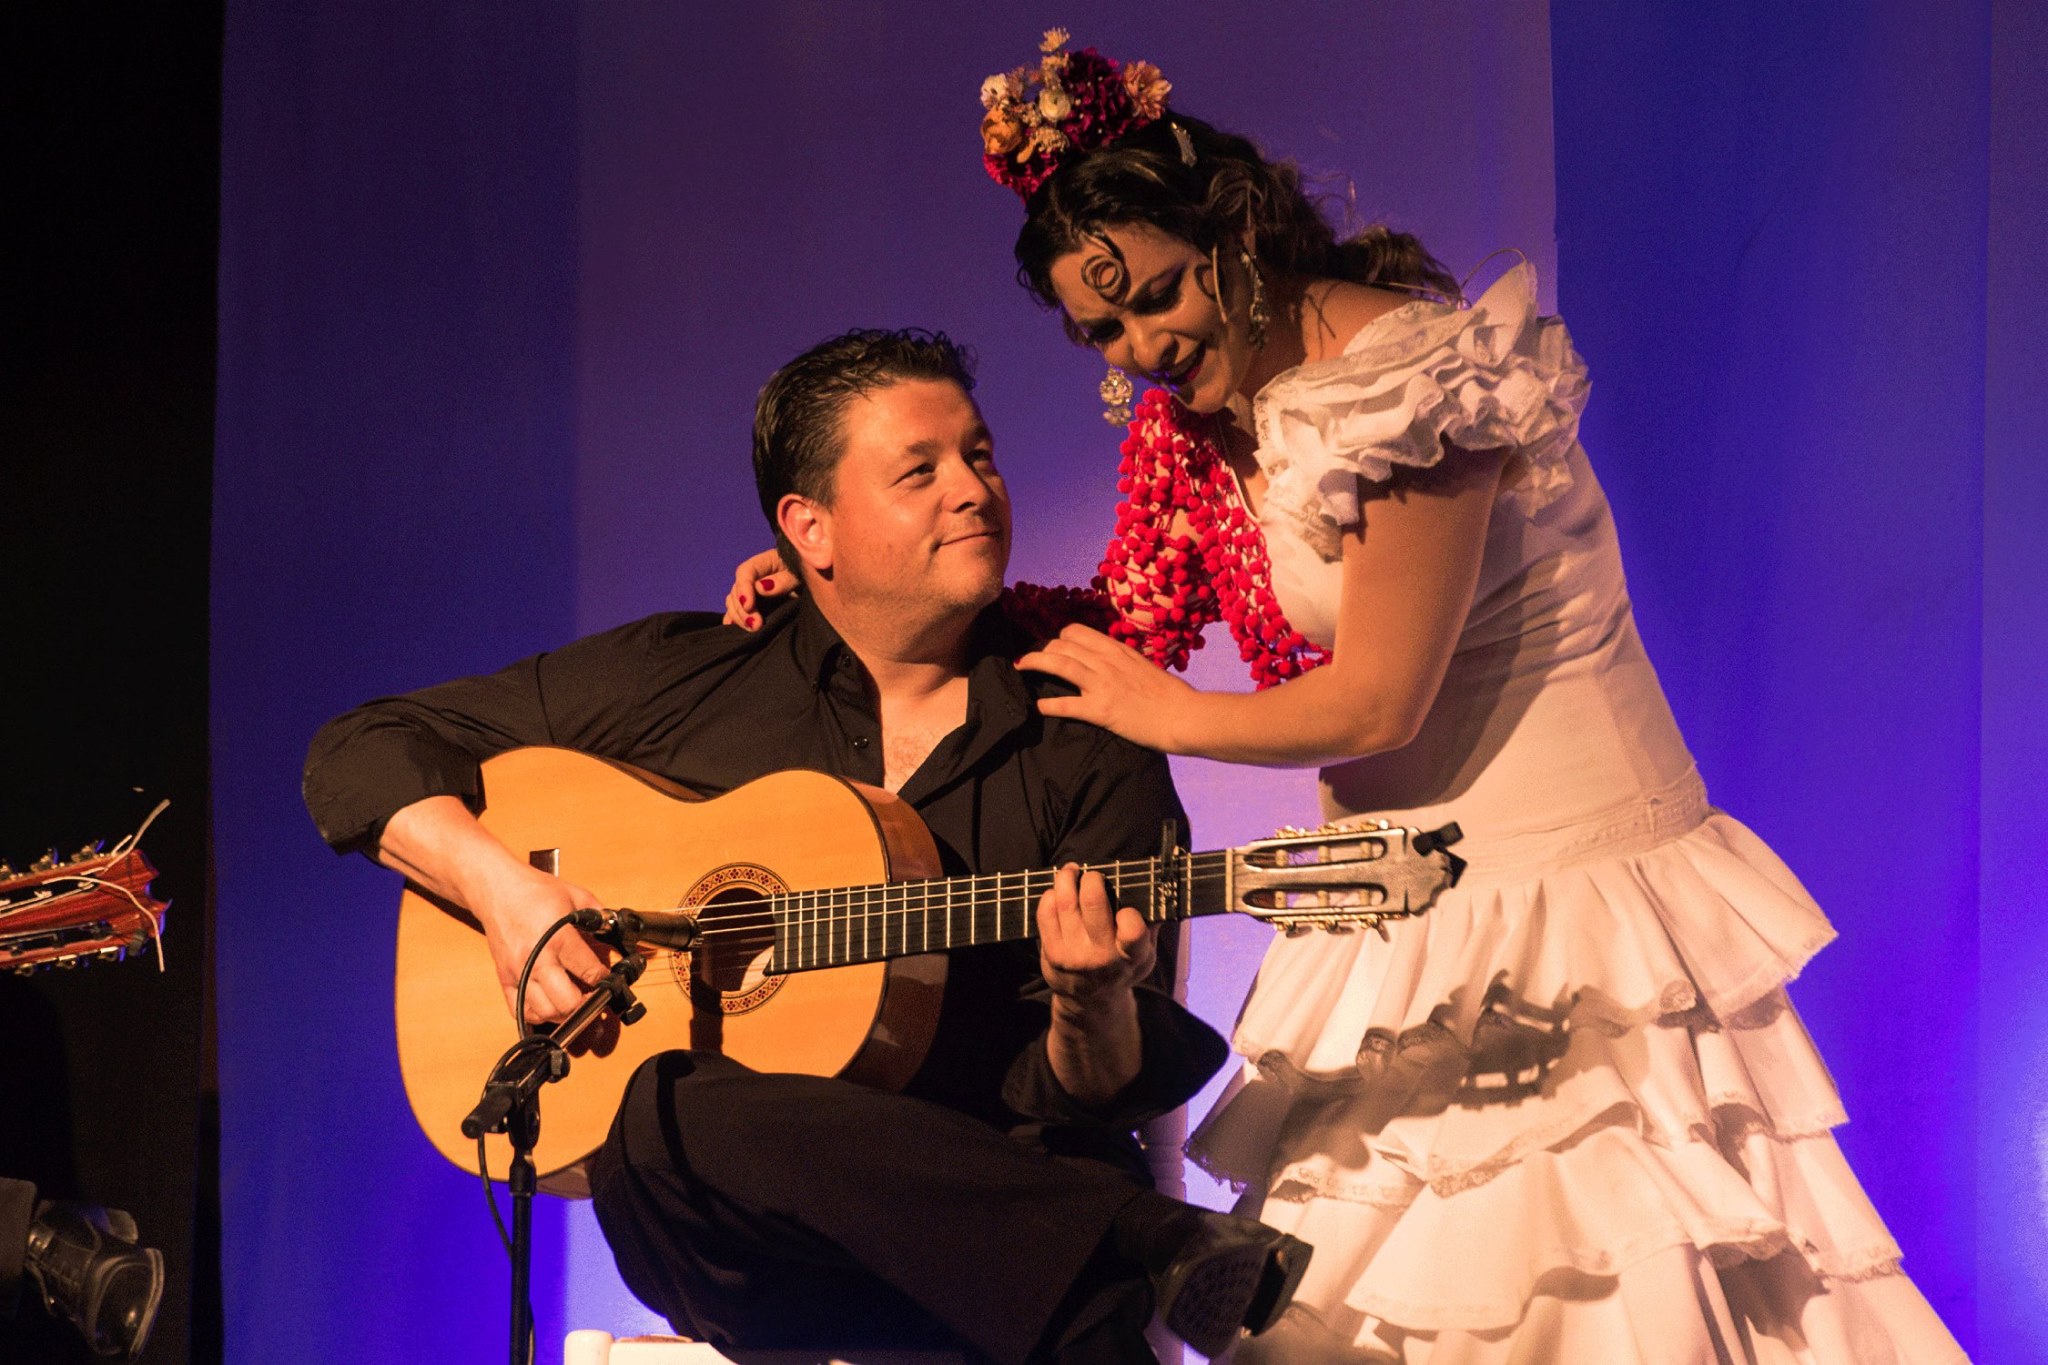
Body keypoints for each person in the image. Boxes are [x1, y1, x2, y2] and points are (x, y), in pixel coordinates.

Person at [724, 34, 1968, 1364]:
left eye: (1158, 294)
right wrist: (853, 591)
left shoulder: (1416, 382)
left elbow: (1381, 700)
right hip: (1389, 899)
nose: (1143, 346)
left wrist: (1171, 715)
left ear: (1234, 229)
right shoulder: (1189, 429)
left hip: (1560, 903)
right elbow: (1130, 622)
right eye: (1106, 330)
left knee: (1594, 1275)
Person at [301, 329, 1315, 1364]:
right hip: (765, 1261)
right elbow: (357, 751)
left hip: (999, 1258)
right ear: (808, 528)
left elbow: (1095, 1090)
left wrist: (1087, 1004)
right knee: (657, 1115)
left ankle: (1106, 1252)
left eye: (981, 455)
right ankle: (1136, 1243)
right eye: (919, 471)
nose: (971, 490)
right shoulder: (684, 679)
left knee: (1035, 1260)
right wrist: (504, 890)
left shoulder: (1083, 731)